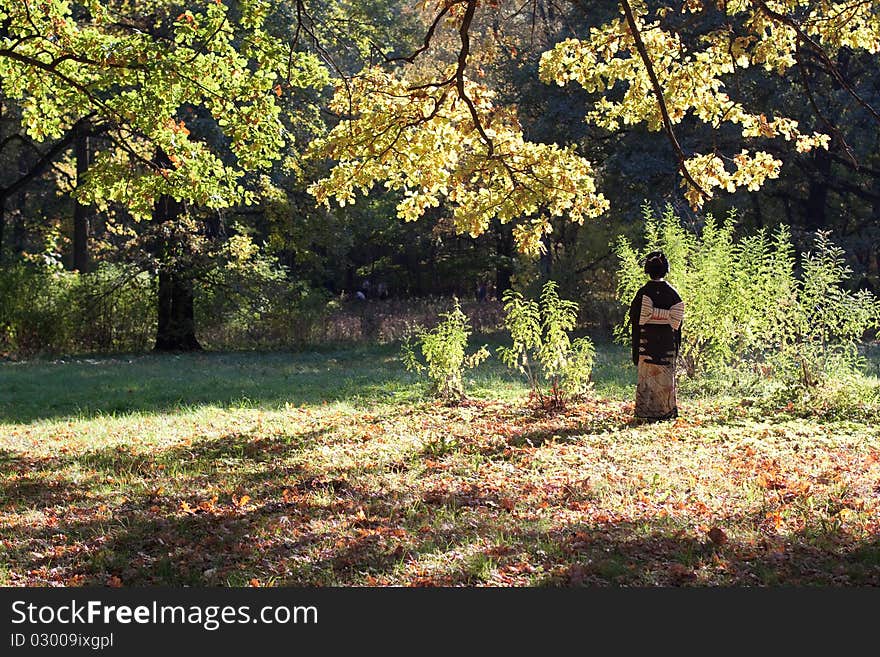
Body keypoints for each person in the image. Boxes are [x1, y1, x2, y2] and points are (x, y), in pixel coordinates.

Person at [629, 251, 685, 421]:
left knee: (647, 380)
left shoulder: (642, 293)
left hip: (646, 347)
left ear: (647, 270)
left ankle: (645, 413)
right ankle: (666, 412)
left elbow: (635, 322)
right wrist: (676, 347)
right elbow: (678, 326)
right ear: (666, 270)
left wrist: (635, 351)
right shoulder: (673, 294)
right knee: (665, 380)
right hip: (666, 346)